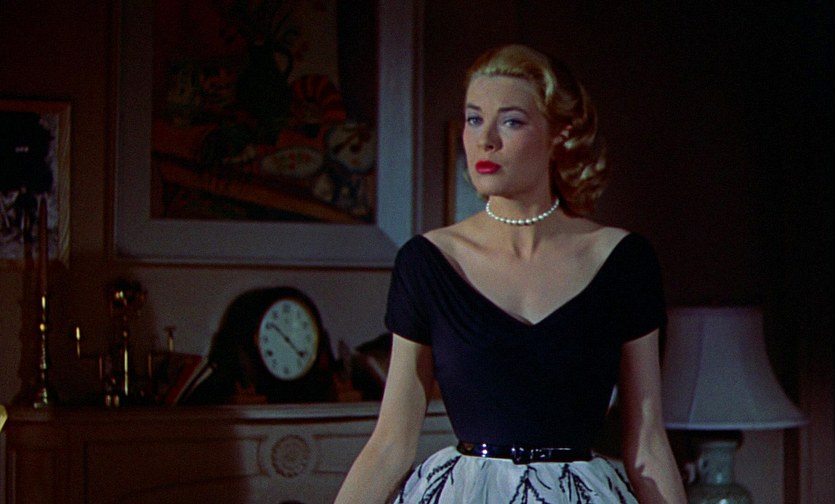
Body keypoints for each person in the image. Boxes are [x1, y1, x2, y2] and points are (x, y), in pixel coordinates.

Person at [335, 44, 686, 504]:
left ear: (560, 134)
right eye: (474, 119)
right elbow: (390, 445)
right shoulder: (429, 262)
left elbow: (648, 446)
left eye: (511, 122)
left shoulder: (623, 261)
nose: (486, 140)